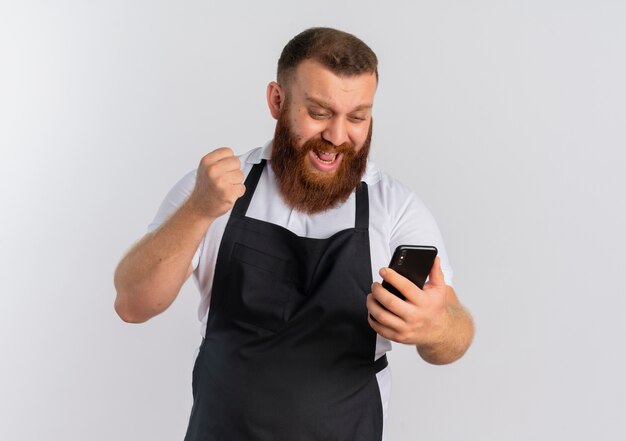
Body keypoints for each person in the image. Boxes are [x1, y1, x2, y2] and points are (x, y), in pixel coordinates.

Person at [114, 27, 474, 441]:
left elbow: (455, 335)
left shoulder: (395, 208)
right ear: (277, 101)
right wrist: (197, 210)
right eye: (319, 113)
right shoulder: (214, 190)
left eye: (357, 117)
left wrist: (434, 327)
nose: (338, 137)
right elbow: (132, 304)